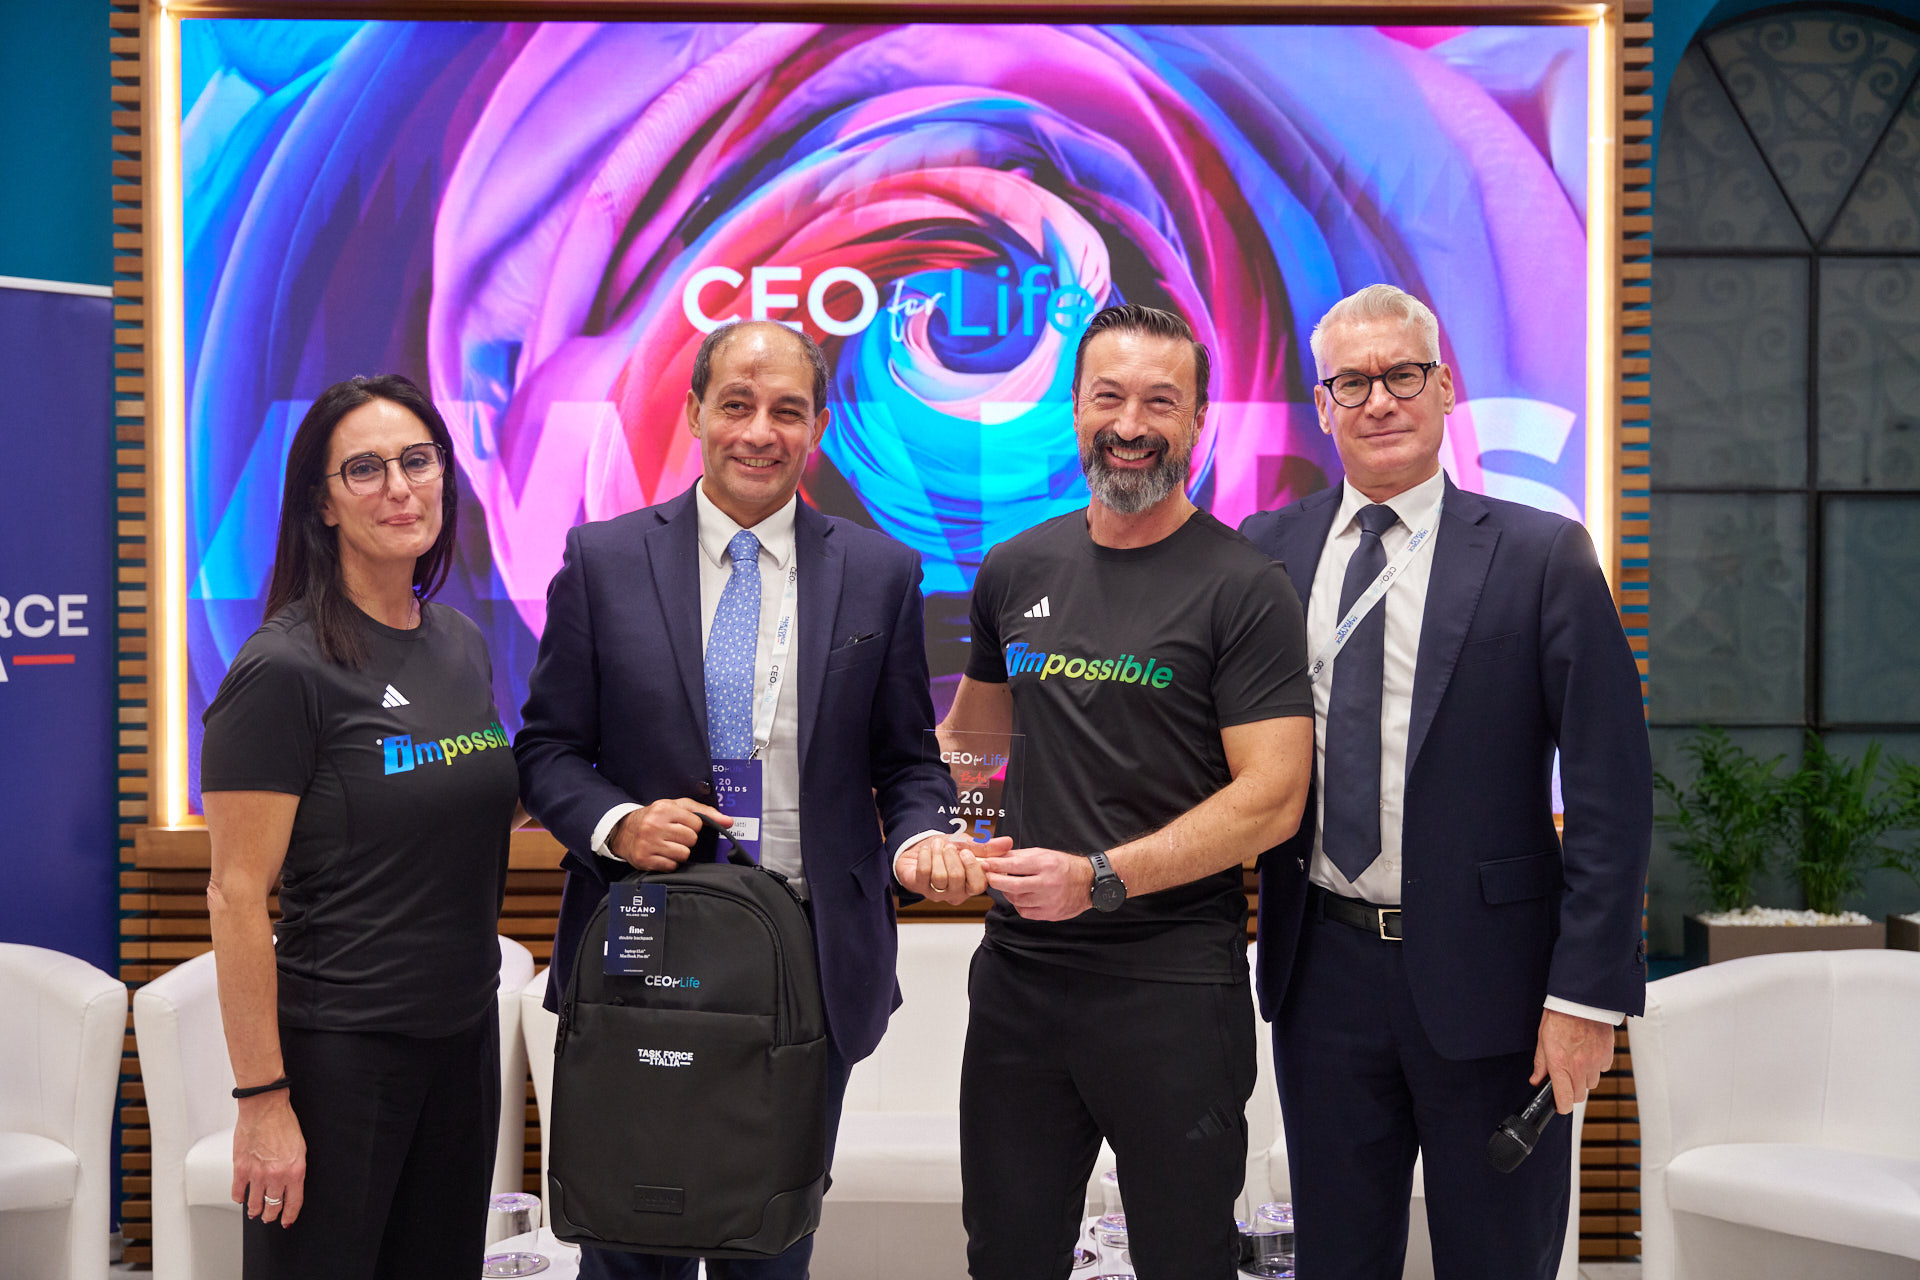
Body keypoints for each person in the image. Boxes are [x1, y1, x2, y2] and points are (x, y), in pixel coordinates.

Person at [514, 319, 977, 1280]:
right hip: (643, 945)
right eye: (736, 405)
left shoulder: (880, 573)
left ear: (817, 427)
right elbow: (548, 751)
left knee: (770, 1249)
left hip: (808, 957)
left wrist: (922, 837)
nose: (760, 432)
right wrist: (618, 824)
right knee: (628, 1247)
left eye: (787, 410)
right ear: (693, 413)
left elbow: (908, 763)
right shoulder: (602, 561)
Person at [1240, 284, 1652, 1280]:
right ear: (1322, 403)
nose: (1380, 399)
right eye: (1353, 382)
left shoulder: (1540, 552)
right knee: (1336, 1261)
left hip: (1498, 986)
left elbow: (1612, 790)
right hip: (1321, 973)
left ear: (1445, 387)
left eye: (1403, 374)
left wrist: (1587, 997)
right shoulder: (1265, 550)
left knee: (1499, 1258)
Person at [942, 303, 1315, 1279]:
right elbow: (972, 746)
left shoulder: (1246, 586)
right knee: (1006, 1258)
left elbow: (1272, 798)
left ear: (1198, 419)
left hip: (1173, 987)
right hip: (1019, 979)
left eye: (1160, 400)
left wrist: (1099, 877)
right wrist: (943, 832)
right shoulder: (1015, 567)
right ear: (1074, 408)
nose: (1131, 423)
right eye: (1108, 396)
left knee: (1184, 1260)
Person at [202, 374, 521, 1278]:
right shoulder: (283, 669)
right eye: (366, 469)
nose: (399, 488)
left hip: (462, 1043)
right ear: (323, 502)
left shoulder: (458, 641)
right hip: (339, 1057)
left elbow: (460, 795)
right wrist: (263, 1100)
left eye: (418, 461)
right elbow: (234, 895)